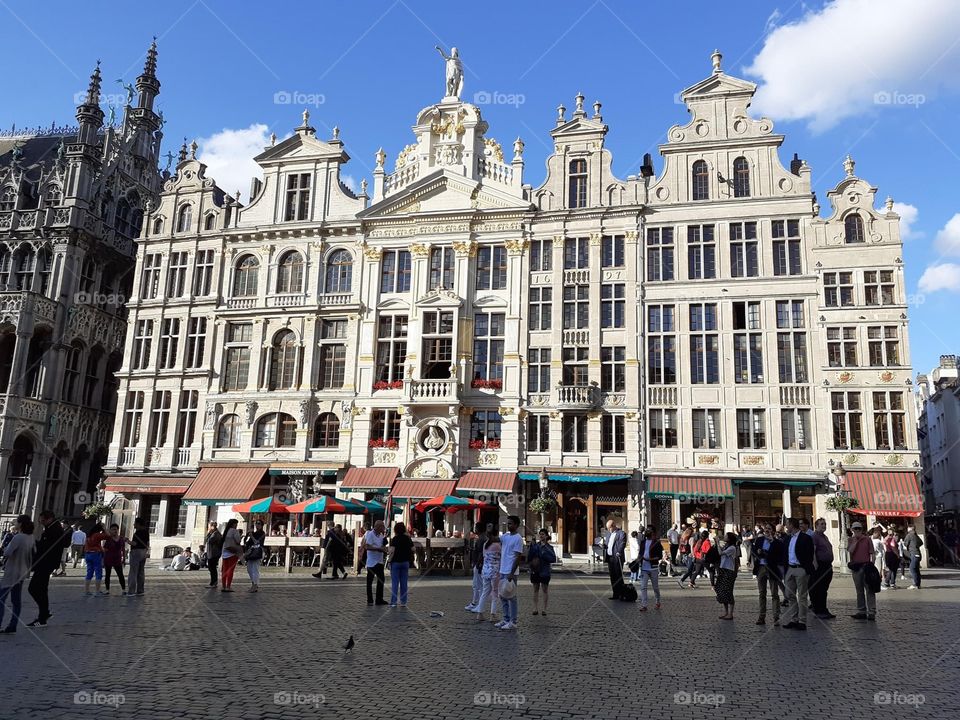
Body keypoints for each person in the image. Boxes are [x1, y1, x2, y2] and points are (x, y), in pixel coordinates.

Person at [27, 511, 69, 627]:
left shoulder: (54, 530)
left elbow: (46, 547)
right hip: (47, 563)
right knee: (41, 589)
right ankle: (43, 616)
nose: (40, 522)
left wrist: (35, 543)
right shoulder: (52, 527)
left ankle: (44, 613)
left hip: (46, 563)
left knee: (33, 588)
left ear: (49, 519)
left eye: (42, 520)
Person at [0, 515, 34, 633]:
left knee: (1, 598)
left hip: (12, 571)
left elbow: (8, 552)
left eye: (17, 522)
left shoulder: (18, 537)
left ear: (20, 524)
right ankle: (13, 625)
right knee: (16, 601)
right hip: (23, 572)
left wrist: (4, 550)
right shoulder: (31, 537)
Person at [781, 517, 815, 631]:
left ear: (792, 525)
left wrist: (806, 568)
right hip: (790, 568)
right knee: (789, 594)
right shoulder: (787, 538)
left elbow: (810, 554)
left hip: (801, 568)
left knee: (802, 596)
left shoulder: (805, 538)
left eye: (787, 524)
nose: (786, 526)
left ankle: (802, 621)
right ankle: (793, 619)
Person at [753, 523, 784, 626]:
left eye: (769, 529)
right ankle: (762, 617)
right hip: (761, 568)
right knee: (762, 593)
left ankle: (776, 617)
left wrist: (767, 553)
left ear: (773, 531)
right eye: (766, 528)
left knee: (774, 593)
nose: (767, 530)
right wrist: (758, 552)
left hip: (772, 569)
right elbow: (753, 552)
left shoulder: (777, 543)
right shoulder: (759, 540)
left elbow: (780, 557)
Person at [497, 515, 523, 630]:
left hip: (510, 571)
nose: (509, 525)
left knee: (511, 596)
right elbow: (495, 539)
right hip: (502, 570)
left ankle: (513, 621)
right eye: (508, 523)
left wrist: (512, 573)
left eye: (511, 523)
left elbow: (518, 557)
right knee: (502, 595)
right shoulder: (505, 536)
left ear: (517, 525)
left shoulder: (518, 538)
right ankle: (506, 619)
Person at [848, 522, 877, 620]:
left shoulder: (867, 539)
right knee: (859, 591)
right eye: (855, 529)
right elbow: (850, 551)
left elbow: (872, 553)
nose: (857, 530)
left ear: (862, 529)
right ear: (852, 530)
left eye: (859, 528)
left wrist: (872, 565)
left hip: (866, 567)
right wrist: (856, 541)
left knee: (870, 590)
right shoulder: (850, 540)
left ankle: (872, 611)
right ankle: (861, 611)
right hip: (856, 568)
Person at [810, 518, 835, 619]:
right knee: (819, 589)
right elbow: (813, 552)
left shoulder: (824, 537)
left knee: (824, 589)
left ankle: (823, 609)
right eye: (821, 524)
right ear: (816, 526)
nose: (824, 526)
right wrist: (815, 565)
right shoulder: (814, 536)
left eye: (825, 524)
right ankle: (819, 610)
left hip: (827, 566)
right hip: (820, 566)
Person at [527, 529, 556, 616]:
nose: (541, 536)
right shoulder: (536, 546)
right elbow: (529, 557)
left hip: (545, 571)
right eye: (540, 534)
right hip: (535, 570)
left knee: (544, 590)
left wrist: (544, 554)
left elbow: (553, 559)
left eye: (543, 534)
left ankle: (544, 609)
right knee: (535, 589)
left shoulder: (550, 547)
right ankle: (535, 608)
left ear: (546, 536)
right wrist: (531, 547)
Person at [475, 527, 501, 622]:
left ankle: (480, 613)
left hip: (485, 571)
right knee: (495, 593)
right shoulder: (498, 545)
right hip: (495, 572)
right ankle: (493, 614)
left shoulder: (486, 544)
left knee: (485, 592)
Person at [361, 520, 388, 606]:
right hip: (371, 562)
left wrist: (384, 548)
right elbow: (367, 546)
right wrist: (378, 549)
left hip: (379, 561)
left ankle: (379, 599)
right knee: (370, 581)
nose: (383, 528)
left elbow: (382, 546)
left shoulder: (381, 536)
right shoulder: (370, 534)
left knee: (381, 580)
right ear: (378, 527)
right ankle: (370, 600)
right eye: (382, 526)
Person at [387, 522, 414, 607]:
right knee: (404, 583)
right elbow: (413, 549)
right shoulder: (408, 538)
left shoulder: (394, 539)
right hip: (405, 562)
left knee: (395, 583)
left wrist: (388, 561)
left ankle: (394, 602)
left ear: (395, 530)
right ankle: (403, 602)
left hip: (396, 562)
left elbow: (391, 551)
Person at [637, 527, 663, 611]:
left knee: (655, 587)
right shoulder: (643, 542)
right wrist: (637, 560)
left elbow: (660, 556)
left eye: (650, 532)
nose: (648, 533)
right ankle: (644, 605)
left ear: (653, 534)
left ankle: (657, 601)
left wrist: (650, 559)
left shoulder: (657, 543)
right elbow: (640, 553)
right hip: (644, 568)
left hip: (653, 568)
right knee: (643, 587)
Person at [715, 532, 739, 620]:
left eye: (726, 536)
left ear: (729, 539)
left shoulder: (732, 548)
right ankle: (726, 612)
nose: (724, 537)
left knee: (728, 591)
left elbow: (720, 553)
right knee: (722, 590)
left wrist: (717, 542)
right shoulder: (727, 546)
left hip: (728, 570)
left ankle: (730, 613)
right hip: (723, 569)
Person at [82, 523, 109, 597]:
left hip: (87, 554)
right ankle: (97, 591)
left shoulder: (89, 535)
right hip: (95, 554)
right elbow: (108, 536)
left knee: (89, 572)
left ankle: (87, 590)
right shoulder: (97, 535)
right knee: (98, 572)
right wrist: (104, 529)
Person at [126, 517, 150, 597]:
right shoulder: (146, 532)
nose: (134, 525)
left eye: (135, 523)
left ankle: (131, 591)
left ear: (139, 524)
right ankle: (140, 590)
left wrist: (127, 541)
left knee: (133, 572)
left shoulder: (137, 533)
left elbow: (135, 544)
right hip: (143, 552)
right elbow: (147, 543)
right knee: (141, 572)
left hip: (136, 552)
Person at [604, 519, 627, 601]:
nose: (608, 530)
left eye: (608, 528)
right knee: (612, 577)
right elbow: (607, 544)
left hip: (617, 557)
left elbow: (622, 543)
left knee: (618, 576)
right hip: (610, 558)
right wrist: (603, 545)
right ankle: (615, 594)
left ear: (613, 526)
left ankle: (622, 594)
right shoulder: (608, 534)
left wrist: (619, 552)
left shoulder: (621, 533)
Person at [102, 524, 127, 595]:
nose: (115, 531)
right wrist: (103, 560)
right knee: (107, 575)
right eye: (113, 529)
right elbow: (104, 549)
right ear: (110, 530)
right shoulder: (108, 539)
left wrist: (124, 559)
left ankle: (124, 589)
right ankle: (107, 590)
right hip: (108, 559)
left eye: (116, 529)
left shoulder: (121, 539)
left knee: (120, 575)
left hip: (117, 559)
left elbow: (123, 549)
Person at [465, 523, 485, 612]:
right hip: (478, 563)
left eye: (475, 528)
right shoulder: (481, 538)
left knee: (478, 585)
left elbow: (481, 553)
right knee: (477, 585)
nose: (474, 530)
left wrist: (478, 563)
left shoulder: (481, 539)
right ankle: (475, 603)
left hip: (478, 564)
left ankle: (476, 604)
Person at [220, 519, 242, 592]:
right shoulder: (234, 531)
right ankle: (228, 586)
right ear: (234, 524)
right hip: (232, 552)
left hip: (225, 552)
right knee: (230, 570)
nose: (236, 525)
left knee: (224, 570)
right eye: (236, 524)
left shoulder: (226, 531)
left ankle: (223, 586)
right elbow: (238, 541)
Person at [244, 520, 266, 592]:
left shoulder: (262, 533)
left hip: (257, 552)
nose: (257, 525)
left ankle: (255, 585)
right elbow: (247, 542)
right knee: (249, 569)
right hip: (251, 552)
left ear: (262, 525)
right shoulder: (253, 533)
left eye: (259, 524)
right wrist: (248, 534)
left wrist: (252, 536)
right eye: (256, 523)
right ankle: (253, 583)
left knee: (255, 569)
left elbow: (257, 542)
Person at [204, 521, 223, 588]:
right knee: (211, 568)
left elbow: (209, 541)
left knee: (212, 568)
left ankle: (214, 582)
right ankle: (213, 582)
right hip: (211, 553)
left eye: (209, 526)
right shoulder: (214, 533)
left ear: (212, 527)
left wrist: (208, 533)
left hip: (213, 554)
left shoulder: (215, 534)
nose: (208, 528)